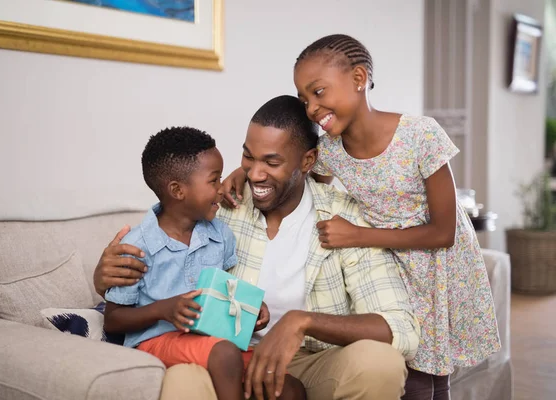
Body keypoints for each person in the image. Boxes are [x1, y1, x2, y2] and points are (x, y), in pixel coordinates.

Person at [224, 34, 501, 400]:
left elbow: (443, 232)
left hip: (434, 264)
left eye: (318, 92)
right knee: (409, 373)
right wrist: (241, 173)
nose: (310, 108)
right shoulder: (328, 150)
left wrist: (358, 235)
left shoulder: (420, 135)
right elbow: (289, 173)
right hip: (386, 264)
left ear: (358, 78)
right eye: (305, 99)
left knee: (434, 377)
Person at [94, 95, 420, 400]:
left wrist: (300, 322)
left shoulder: (345, 218)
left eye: (271, 162)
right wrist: (102, 276)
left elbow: (401, 328)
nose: (254, 173)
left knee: (379, 362)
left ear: (307, 161)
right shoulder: (220, 207)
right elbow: (165, 241)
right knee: (183, 379)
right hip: (231, 356)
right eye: (248, 157)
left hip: (314, 359)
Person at [102, 127, 305, 400]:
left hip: (211, 341)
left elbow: (226, 290)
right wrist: (163, 309)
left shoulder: (219, 234)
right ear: (177, 190)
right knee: (224, 353)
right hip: (155, 342)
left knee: (287, 386)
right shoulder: (136, 246)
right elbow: (113, 321)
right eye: (214, 180)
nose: (222, 188)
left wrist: (248, 309)